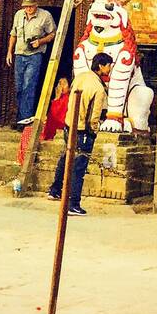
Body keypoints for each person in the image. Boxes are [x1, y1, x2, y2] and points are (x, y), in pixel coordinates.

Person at [46, 54, 112, 217]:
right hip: (83, 129)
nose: (110, 68)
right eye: (108, 65)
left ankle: (55, 189)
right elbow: (94, 116)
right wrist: (93, 131)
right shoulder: (98, 88)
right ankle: (73, 203)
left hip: (70, 124)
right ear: (101, 66)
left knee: (66, 157)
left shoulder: (81, 77)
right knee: (78, 167)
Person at [6, 0, 56, 129]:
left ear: (36, 5)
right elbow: (13, 34)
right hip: (19, 54)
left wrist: (40, 41)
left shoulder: (45, 16)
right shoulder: (18, 15)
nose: (28, 9)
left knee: (29, 86)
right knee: (19, 87)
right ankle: (20, 118)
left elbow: (53, 34)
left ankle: (25, 120)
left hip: (35, 55)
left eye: (31, 6)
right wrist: (9, 52)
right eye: (26, 6)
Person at [17, 76, 70, 165]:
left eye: (64, 84)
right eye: (60, 83)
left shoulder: (67, 99)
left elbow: (58, 117)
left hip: (54, 127)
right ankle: (23, 158)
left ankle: (26, 160)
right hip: (50, 124)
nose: (61, 86)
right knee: (27, 130)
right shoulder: (59, 98)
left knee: (29, 132)